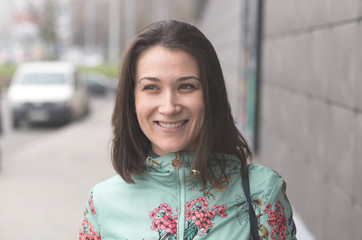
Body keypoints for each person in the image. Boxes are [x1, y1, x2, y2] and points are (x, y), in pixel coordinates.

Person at [79, 20, 297, 240]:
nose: (169, 107)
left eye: (186, 86)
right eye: (151, 87)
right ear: (132, 100)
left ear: (210, 95)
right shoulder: (102, 203)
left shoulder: (261, 192)